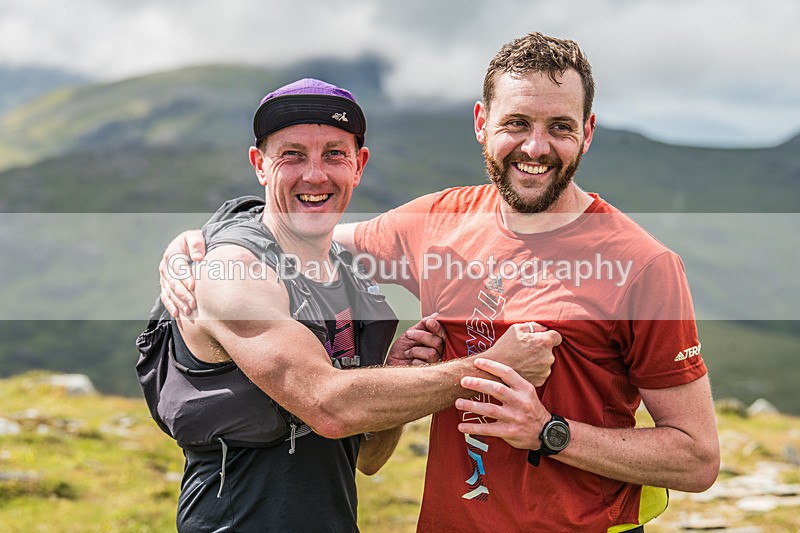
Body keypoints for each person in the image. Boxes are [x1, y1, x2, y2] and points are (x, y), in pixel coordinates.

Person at [161, 33, 720, 531]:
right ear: (482, 123)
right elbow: (305, 234)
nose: (535, 147)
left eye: (560, 128)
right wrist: (209, 239)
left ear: (588, 133)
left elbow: (696, 458)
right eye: (516, 123)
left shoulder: (644, 266)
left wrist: (551, 432)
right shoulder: (440, 222)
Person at [143, 77, 561, 532]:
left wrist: (396, 373)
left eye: (334, 154)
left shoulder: (350, 279)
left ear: (359, 165)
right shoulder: (234, 272)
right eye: (292, 155)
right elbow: (329, 407)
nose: (315, 174)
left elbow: (367, 457)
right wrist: (493, 367)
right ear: (260, 165)